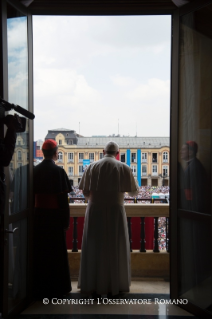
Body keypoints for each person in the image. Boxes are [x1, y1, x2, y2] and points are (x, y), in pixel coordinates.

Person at [78, 141, 139, 296]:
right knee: (115, 245)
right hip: (115, 211)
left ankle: (92, 284)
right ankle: (115, 285)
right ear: (118, 153)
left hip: (95, 210)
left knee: (94, 245)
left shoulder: (91, 167)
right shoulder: (124, 167)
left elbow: (85, 192)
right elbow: (133, 193)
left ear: (103, 151)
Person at [33, 139, 72, 298]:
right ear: (56, 153)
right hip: (55, 218)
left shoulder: (34, 171)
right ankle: (58, 287)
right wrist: (66, 221)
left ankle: (40, 287)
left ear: (42, 153)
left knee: (41, 252)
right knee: (56, 253)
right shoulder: (59, 172)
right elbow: (63, 201)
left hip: (39, 216)